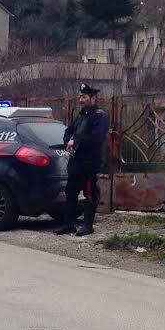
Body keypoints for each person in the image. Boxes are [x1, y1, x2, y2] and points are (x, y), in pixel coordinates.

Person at [55, 83, 109, 237]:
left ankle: (87, 225)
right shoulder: (81, 115)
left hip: (89, 163)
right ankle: (68, 225)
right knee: (70, 192)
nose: (81, 99)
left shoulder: (100, 116)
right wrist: (67, 141)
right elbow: (69, 131)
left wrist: (76, 142)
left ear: (93, 98)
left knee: (90, 194)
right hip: (77, 162)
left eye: (84, 97)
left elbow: (96, 137)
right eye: (80, 96)